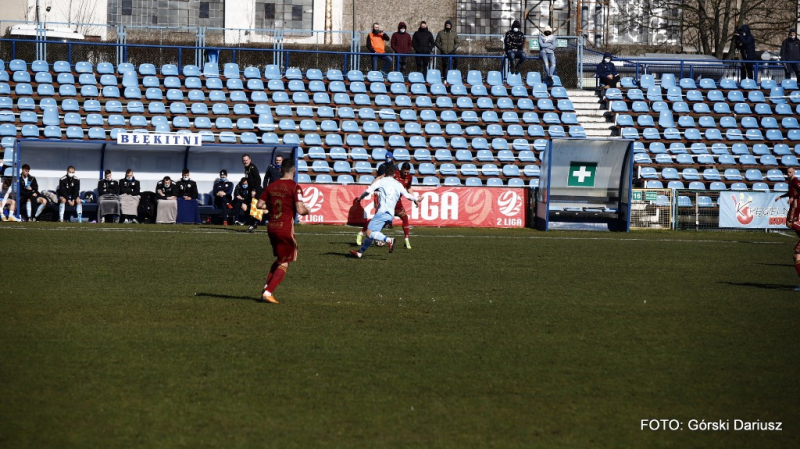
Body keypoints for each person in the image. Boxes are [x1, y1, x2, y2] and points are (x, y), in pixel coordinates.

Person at [255, 158, 310, 303]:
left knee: (280, 259)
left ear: (280, 170)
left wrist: (270, 209)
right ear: (294, 170)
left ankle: (266, 286)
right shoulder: (295, 187)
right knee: (286, 261)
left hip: (271, 227)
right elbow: (300, 209)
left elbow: (259, 205)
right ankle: (268, 292)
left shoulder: (272, 186)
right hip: (284, 228)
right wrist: (307, 210)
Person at [350, 164, 419, 258]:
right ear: (394, 173)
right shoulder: (398, 184)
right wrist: (416, 199)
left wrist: (360, 198)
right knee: (372, 233)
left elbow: (368, 190)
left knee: (368, 232)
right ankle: (360, 252)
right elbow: (407, 195)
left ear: (385, 173)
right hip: (390, 214)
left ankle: (389, 240)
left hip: (382, 212)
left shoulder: (381, 181)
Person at [355, 152, 397, 245]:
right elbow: (379, 178)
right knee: (378, 216)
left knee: (384, 218)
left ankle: (376, 236)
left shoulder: (395, 168)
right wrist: (372, 188)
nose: (388, 159)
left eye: (390, 158)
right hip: (380, 193)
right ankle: (363, 233)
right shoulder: (382, 167)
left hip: (390, 194)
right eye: (388, 158)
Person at [777, 167, 800, 290]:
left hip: (796, 205)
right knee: (796, 257)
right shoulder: (791, 182)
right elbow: (791, 193)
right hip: (793, 204)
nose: (788, 174)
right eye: (787, 172)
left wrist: (794, 197)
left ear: (794, 173)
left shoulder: (796, 181)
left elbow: (797, 192)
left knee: (790, 223)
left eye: (790, 172)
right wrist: (782, 196)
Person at [242, 154, 262, 232]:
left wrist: (254, 190)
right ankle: (253, 223)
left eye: (246, 160)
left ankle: (253, 223)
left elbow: (258, 180)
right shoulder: (247, 168)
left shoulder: (253, 168)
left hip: (256, 191)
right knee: (244, 206)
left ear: (250, 160)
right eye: (244, 160)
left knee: (255, 208)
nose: (245, 161)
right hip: (250, 191)